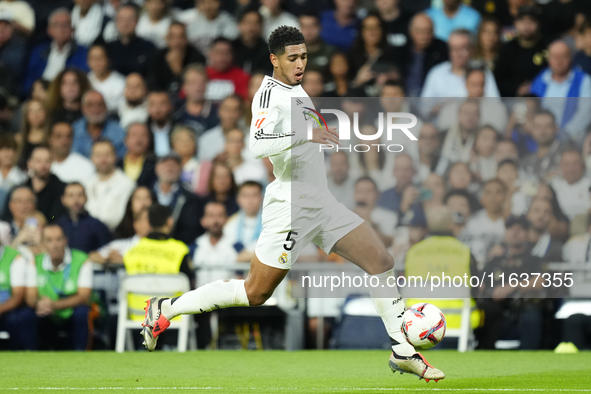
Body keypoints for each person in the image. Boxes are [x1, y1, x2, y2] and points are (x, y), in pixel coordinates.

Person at [141, 25, 445, 381]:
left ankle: (402, 349)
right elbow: (258, 144)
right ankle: (166, 308)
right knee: (255, 293)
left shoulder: (297, 90)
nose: (301, 64)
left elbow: (307, 137)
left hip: (320, 201)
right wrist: (308, 134)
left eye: (304, 57)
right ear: (274, 59)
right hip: (290, 206)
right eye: (293, 58)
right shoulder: (269, 96)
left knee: (381, 260)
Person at [476, 215, 548, 350]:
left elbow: (540, 281)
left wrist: (514, 285)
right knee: (484, 312)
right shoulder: (495, 260)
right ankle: (481, 356)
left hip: (521, 307)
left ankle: (530, 360)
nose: (515, 231)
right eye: (510, 228)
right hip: (494, 305)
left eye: (520, 228)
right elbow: (479, 284)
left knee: (532, 316)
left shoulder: (534, 260)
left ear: (527, 234)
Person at [123, 204, 193, 321]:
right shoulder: (179, 250)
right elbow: (190, 284)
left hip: (137, 317)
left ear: (148, 222)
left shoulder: (131, 251)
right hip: (171, 319)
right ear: (170, 221)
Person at [30, 224, 93, 351]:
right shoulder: (35, 262)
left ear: (65, 241)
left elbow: (83, 297)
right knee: (27, 315)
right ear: (42, 243)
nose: (55, 244)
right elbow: (30, 297)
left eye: (58, 239)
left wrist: (53, 305)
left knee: (82, 312)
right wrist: (40, 304)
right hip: (46, 312)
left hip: (71, 311)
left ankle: (81, 355)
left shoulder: (82, 260)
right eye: (49, 240)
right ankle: (33, 355)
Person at [530, 40, 591, 144]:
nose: (558, 61)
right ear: (549, 59)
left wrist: (565, 133)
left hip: (572, 137)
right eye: (554, 56)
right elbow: (531, 108)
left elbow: (586, 112)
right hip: (541, 135)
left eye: (563, 56)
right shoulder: (541, 79)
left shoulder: (584, 80)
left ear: (571, 58)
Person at [23, 9, 89, 94]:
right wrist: (33, 90)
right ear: (49, 30)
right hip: (40, 95)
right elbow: (28, 79)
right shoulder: (38, 52)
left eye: (65, 25)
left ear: (73, 29)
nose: (61, 29)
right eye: (56, 25)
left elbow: (81, 80)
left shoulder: (83, 52)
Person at [495, 5, 548, 97]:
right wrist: (516, 88)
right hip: (512, 98)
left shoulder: (546, 47)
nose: (526, 26)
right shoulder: (507, 49)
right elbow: (498, 79)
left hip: (542, 97)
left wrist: (535, 87)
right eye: (522, 21)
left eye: (531, 21)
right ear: (515, 23)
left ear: (538, 24)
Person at [153, 153, 205, 244]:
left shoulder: (190, 198)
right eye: (165, 164)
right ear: (156, 167)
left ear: (181, 169)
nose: (169, 168)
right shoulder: (146, 193)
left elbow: (190, 229)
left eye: (174, 165)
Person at [394, 13, 448, 98]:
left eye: (428, 31)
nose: (424, 36)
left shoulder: (443, 50)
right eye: (420, 31)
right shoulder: (402, 52)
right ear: (411, 31)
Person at [85, 140, 135, 231]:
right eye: (98, 155)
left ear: (115, 156)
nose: (103, 160)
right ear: (91, 158)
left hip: (117, 235)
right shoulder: (87, 184)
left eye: (107, 155)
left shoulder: (127, 184)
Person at [148, 22, 206, 96]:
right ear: (167, 39)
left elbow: (197, 87)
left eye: (181, 37)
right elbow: (154, 86)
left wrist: (178, 71)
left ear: (186, 39)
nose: (176, 42)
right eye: (172, 37)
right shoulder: (157, 57)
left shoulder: (197, 57)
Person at [0, 236, 36, 350]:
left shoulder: (15, 258)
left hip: (7, 309)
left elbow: (18, 296)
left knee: (16, 319)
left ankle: (21, 353)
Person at [56, 182, 111, 254]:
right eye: (71, 196)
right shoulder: (58, 225)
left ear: (86, 198)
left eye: (80, 195)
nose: (76, 200)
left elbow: (107, 252)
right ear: (63, 200)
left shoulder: (97, 226)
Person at [105, 4, 156, 77]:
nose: (125, 24)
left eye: (130, 19)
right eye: (121, 19)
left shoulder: (149, 48)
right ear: (116, 22)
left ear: (137, 21)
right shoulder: (108, 49)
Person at [72, 90, 127, 159]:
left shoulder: (119, 132)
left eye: (100, 104)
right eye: (90, 105)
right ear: (83, 108)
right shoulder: (73, 130)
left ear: (106, 107)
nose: (95, 109)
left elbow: (121, 159)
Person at [521, 111, 570, 182]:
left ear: (556, 128)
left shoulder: (567, 153)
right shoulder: (526, 161)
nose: (542, 131)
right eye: (538, 127)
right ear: (532, 129)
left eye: (547, 126)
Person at [23, 146, 66, 223]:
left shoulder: (62, 189)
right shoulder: (22, 188)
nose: (43, 166)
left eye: (47, 161)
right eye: (38, 161)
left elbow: (56, 216)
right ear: (29, 164)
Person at [223, 181, 264, 262]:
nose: (250, 200)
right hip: (237, 272)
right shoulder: (231, 223)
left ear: (261, 198)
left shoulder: (271, 221)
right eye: (245, 196)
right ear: (238, 199)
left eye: (254, 195)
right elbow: (229, 252)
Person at [198, 95, 245, 162]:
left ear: (241, 113)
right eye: (227, 109)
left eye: (235, 110)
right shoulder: (206, 139)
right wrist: (215, 161)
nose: (230, 115)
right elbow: (201, 167)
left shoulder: (251, 138)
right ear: (219, 111)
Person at [550, 149, 591, 220]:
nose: (571, 169)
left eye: (575, 164)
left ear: (583, 165)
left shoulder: (589, 184)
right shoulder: (552, 186)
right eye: (566, 164)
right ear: (560, 166)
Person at [205, 37, 250, 101]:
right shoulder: (201, 75)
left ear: (232, 55)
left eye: (226, 53)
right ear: (210, 54)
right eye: (218, 53)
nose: (222, 57)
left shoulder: (243, 77)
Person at [86, 45, 126, 114]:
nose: (96, 62)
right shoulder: (85, 81)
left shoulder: (121, 82)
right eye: (93, 58)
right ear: (88, 61)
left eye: (100, 58)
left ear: (108, 59)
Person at [232, 8, 272, 75]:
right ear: (239, 25)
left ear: (261, 27)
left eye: (255, 23)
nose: (251, 28)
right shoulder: (231, 48)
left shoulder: (268, 50)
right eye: (248, 23)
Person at [118, 122, 156, 187]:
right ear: (125, 140)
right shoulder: (116, 165)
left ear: (149, 140)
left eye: (143, 135)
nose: (139, 139)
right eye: (134, 135)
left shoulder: (155, 164)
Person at [526, 197, 563, 263]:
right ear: (528, 214)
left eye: (546, 212)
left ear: (551, 217)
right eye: (536, 210)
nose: (541, 215)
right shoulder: (517, 243)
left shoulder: (556, 248)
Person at [298, 11, 336, 77]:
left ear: (320, 27)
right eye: (304, 26)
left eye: (312, 26)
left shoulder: (331, 52)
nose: (308, 30)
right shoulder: (291, 54)